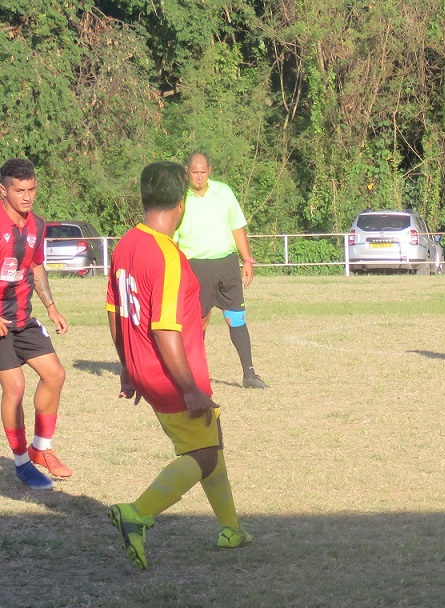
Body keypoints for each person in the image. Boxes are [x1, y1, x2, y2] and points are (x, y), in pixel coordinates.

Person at [106, 161, 252, 571]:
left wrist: (127, 365)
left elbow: (116, 313)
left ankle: (231, 528)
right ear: (181, 202)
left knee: (210, 440)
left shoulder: (126, 243)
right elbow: (166, 329)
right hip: (173, 373)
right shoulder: (167, 255)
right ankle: (138, 513)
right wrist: (189, 387)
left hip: (144, 369)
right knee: (203, 454)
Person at [0, 158, 70, 490]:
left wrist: (52, 306)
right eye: (19, 190)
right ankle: (21, 464)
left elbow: (37, 267)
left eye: (31, 189)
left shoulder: (37, 226)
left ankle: (41, 448)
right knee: (14, 387)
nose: (27, 197)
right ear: (3, 191)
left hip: (24, 319)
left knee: (55, 374)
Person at [174, 152, 267, 388]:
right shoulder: (180, 198)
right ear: (187, 171)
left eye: (203, 171)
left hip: (226, 264)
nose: (199, 176)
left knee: (236, 318)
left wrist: (247, 260)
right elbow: (172, 239)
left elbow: (237, 226)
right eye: (195, 172)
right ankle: (194, 377)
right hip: (195, 267)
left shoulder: (224, 192)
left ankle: (249, 375)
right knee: (198, 322)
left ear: (210, 170)